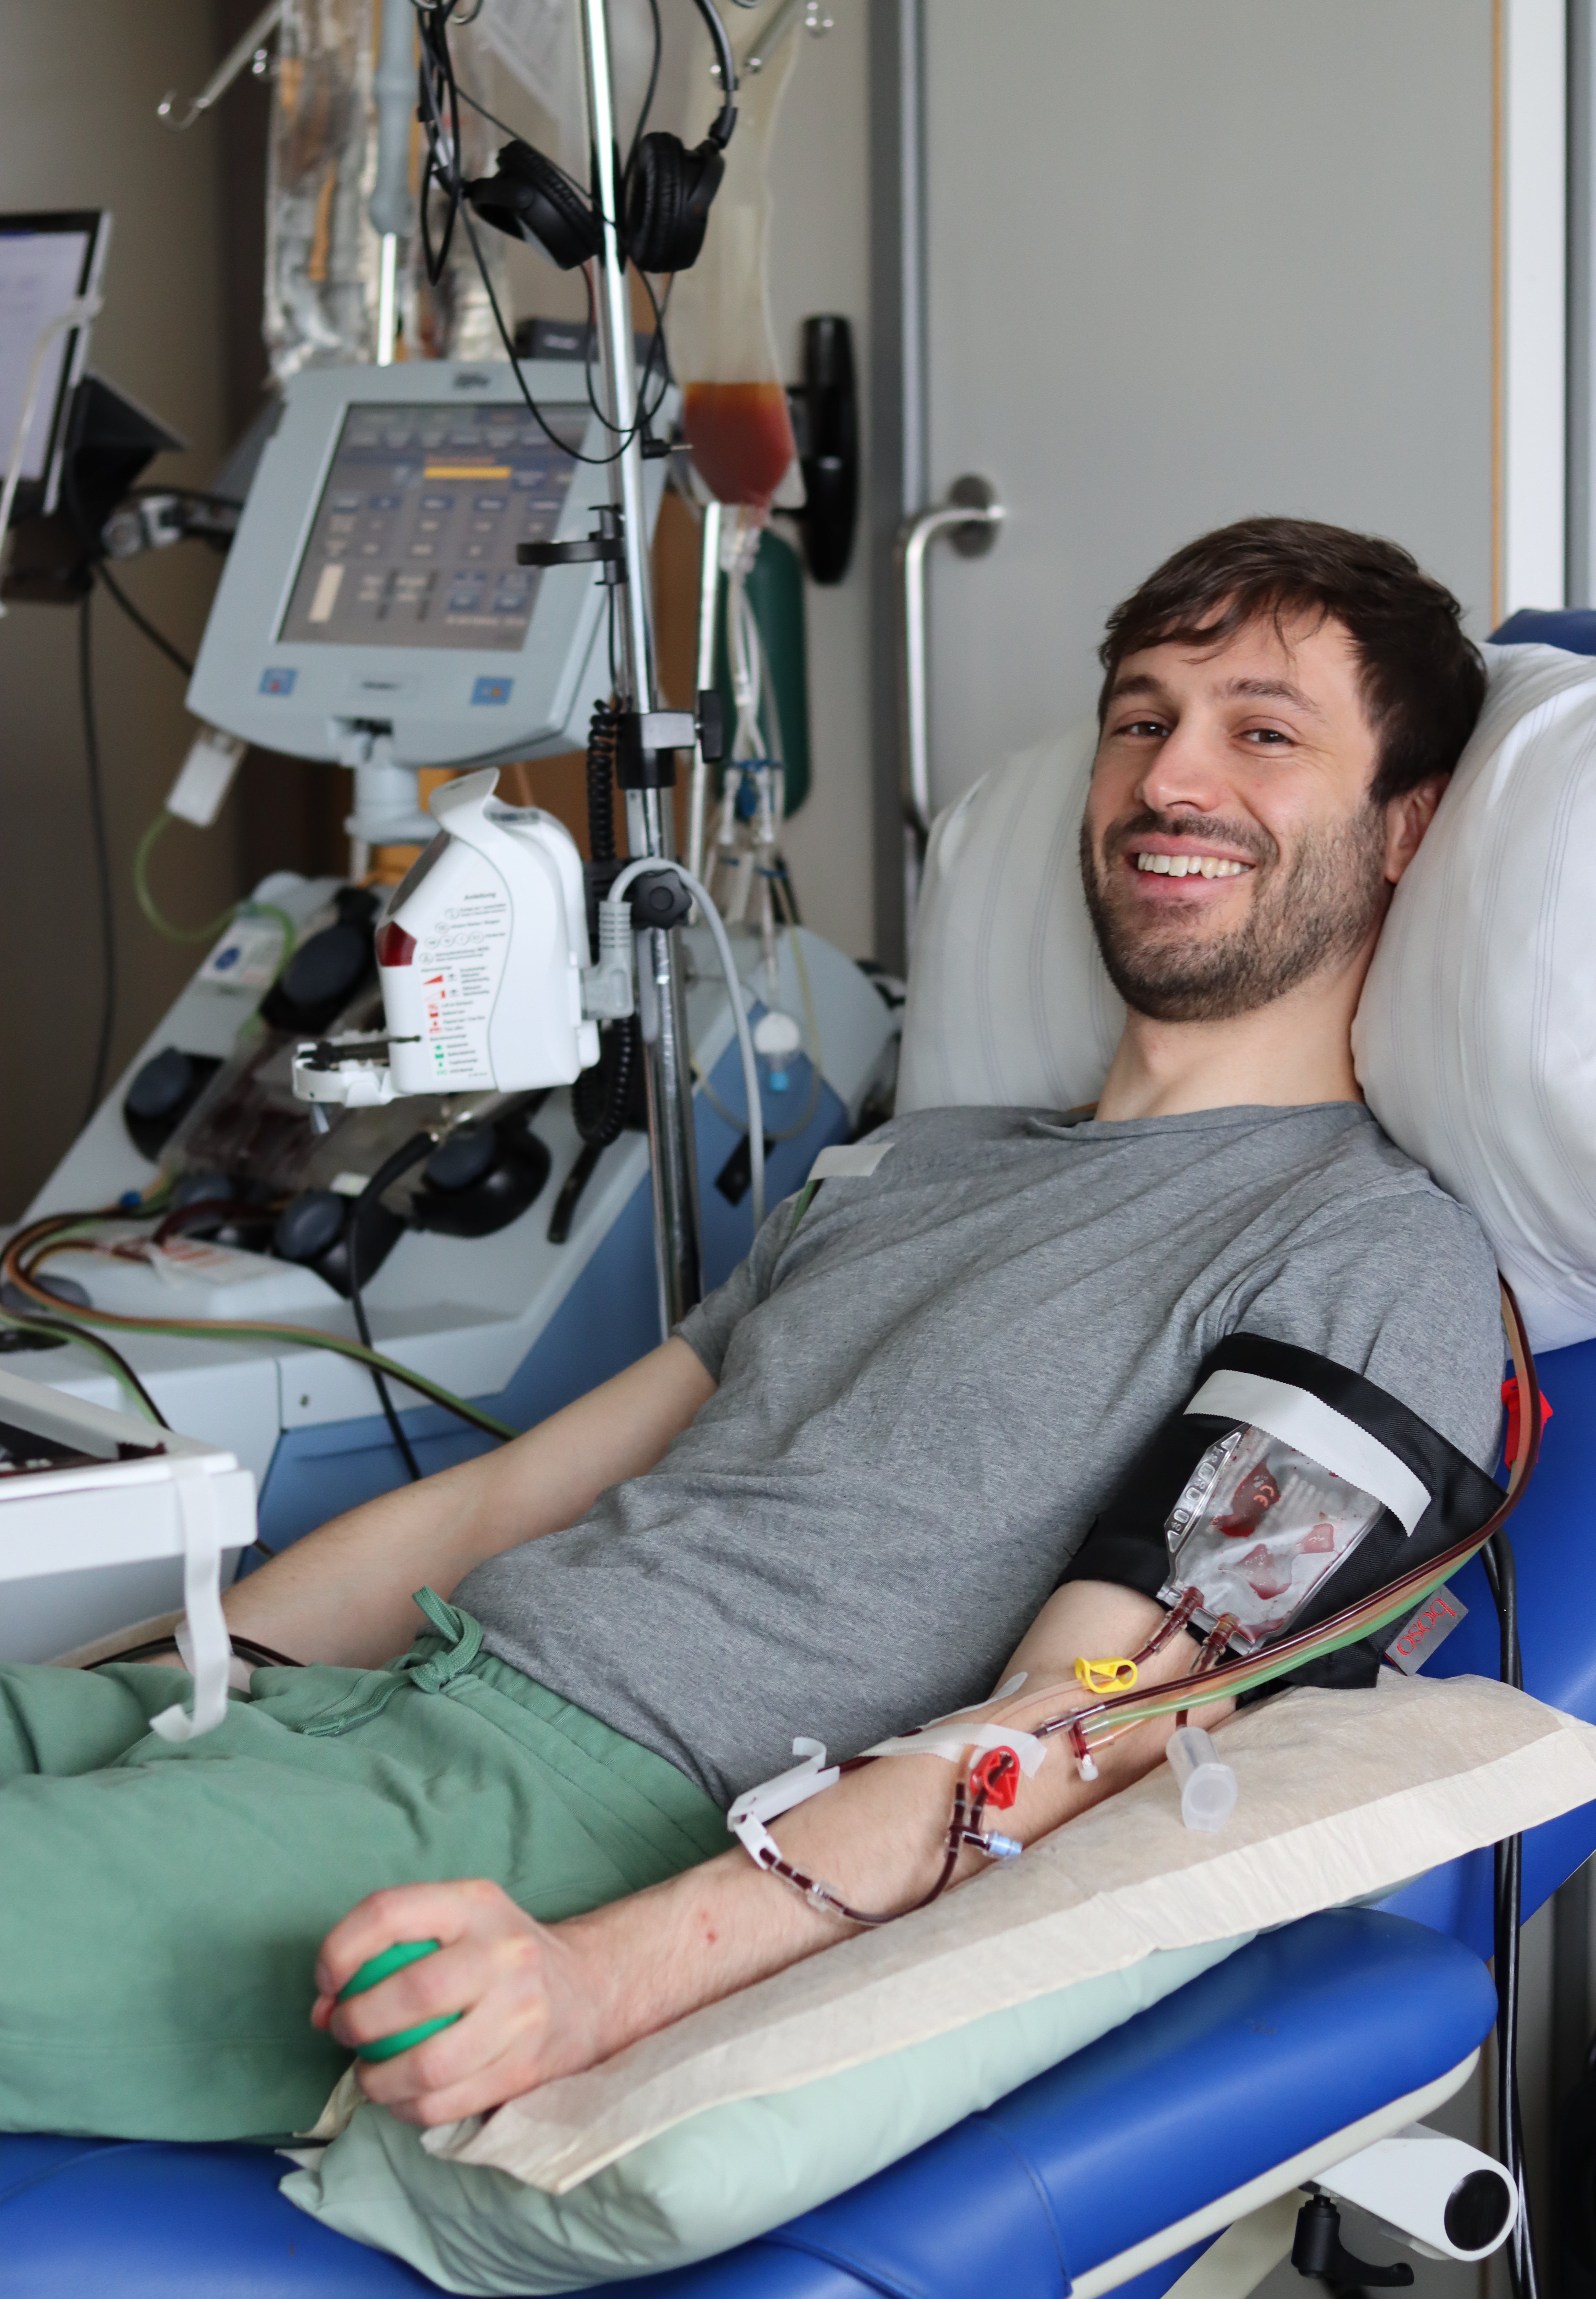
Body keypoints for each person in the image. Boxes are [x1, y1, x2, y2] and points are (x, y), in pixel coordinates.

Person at [0, 517, 1503, 2148]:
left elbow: (1075, 1729)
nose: (1167, 781)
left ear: (1402, 822)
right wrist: (165, 1692)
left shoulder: (1367, 1255)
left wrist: (591, 1985)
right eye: (1139, 721)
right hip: (346, 1708)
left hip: (558, 1815)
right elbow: (504, 1503)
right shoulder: (905, 1167)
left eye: (1261, 732)